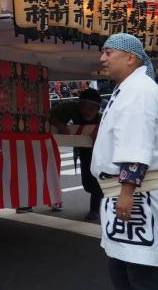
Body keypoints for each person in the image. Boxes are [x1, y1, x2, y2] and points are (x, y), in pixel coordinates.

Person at [89, 33, 158, 289]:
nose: (102, 58)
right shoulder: (128, 88)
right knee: (122, 268)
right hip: (123, 194)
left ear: (131, 58)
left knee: (140, 274)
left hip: (136, 194)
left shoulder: (140, 91)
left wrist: (127, 192)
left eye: (108, 53)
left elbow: (136, 142)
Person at [49, 87, 103, 221]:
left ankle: (94, 209)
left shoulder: (103, 117)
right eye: (84, 107)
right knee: (87, 181)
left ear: (97, 109)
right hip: (83, 150)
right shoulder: (72, 108)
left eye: (91, 108)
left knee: (96, 179)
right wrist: (62, 126)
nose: (87, 111)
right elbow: (52, 115)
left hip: (99, 153)